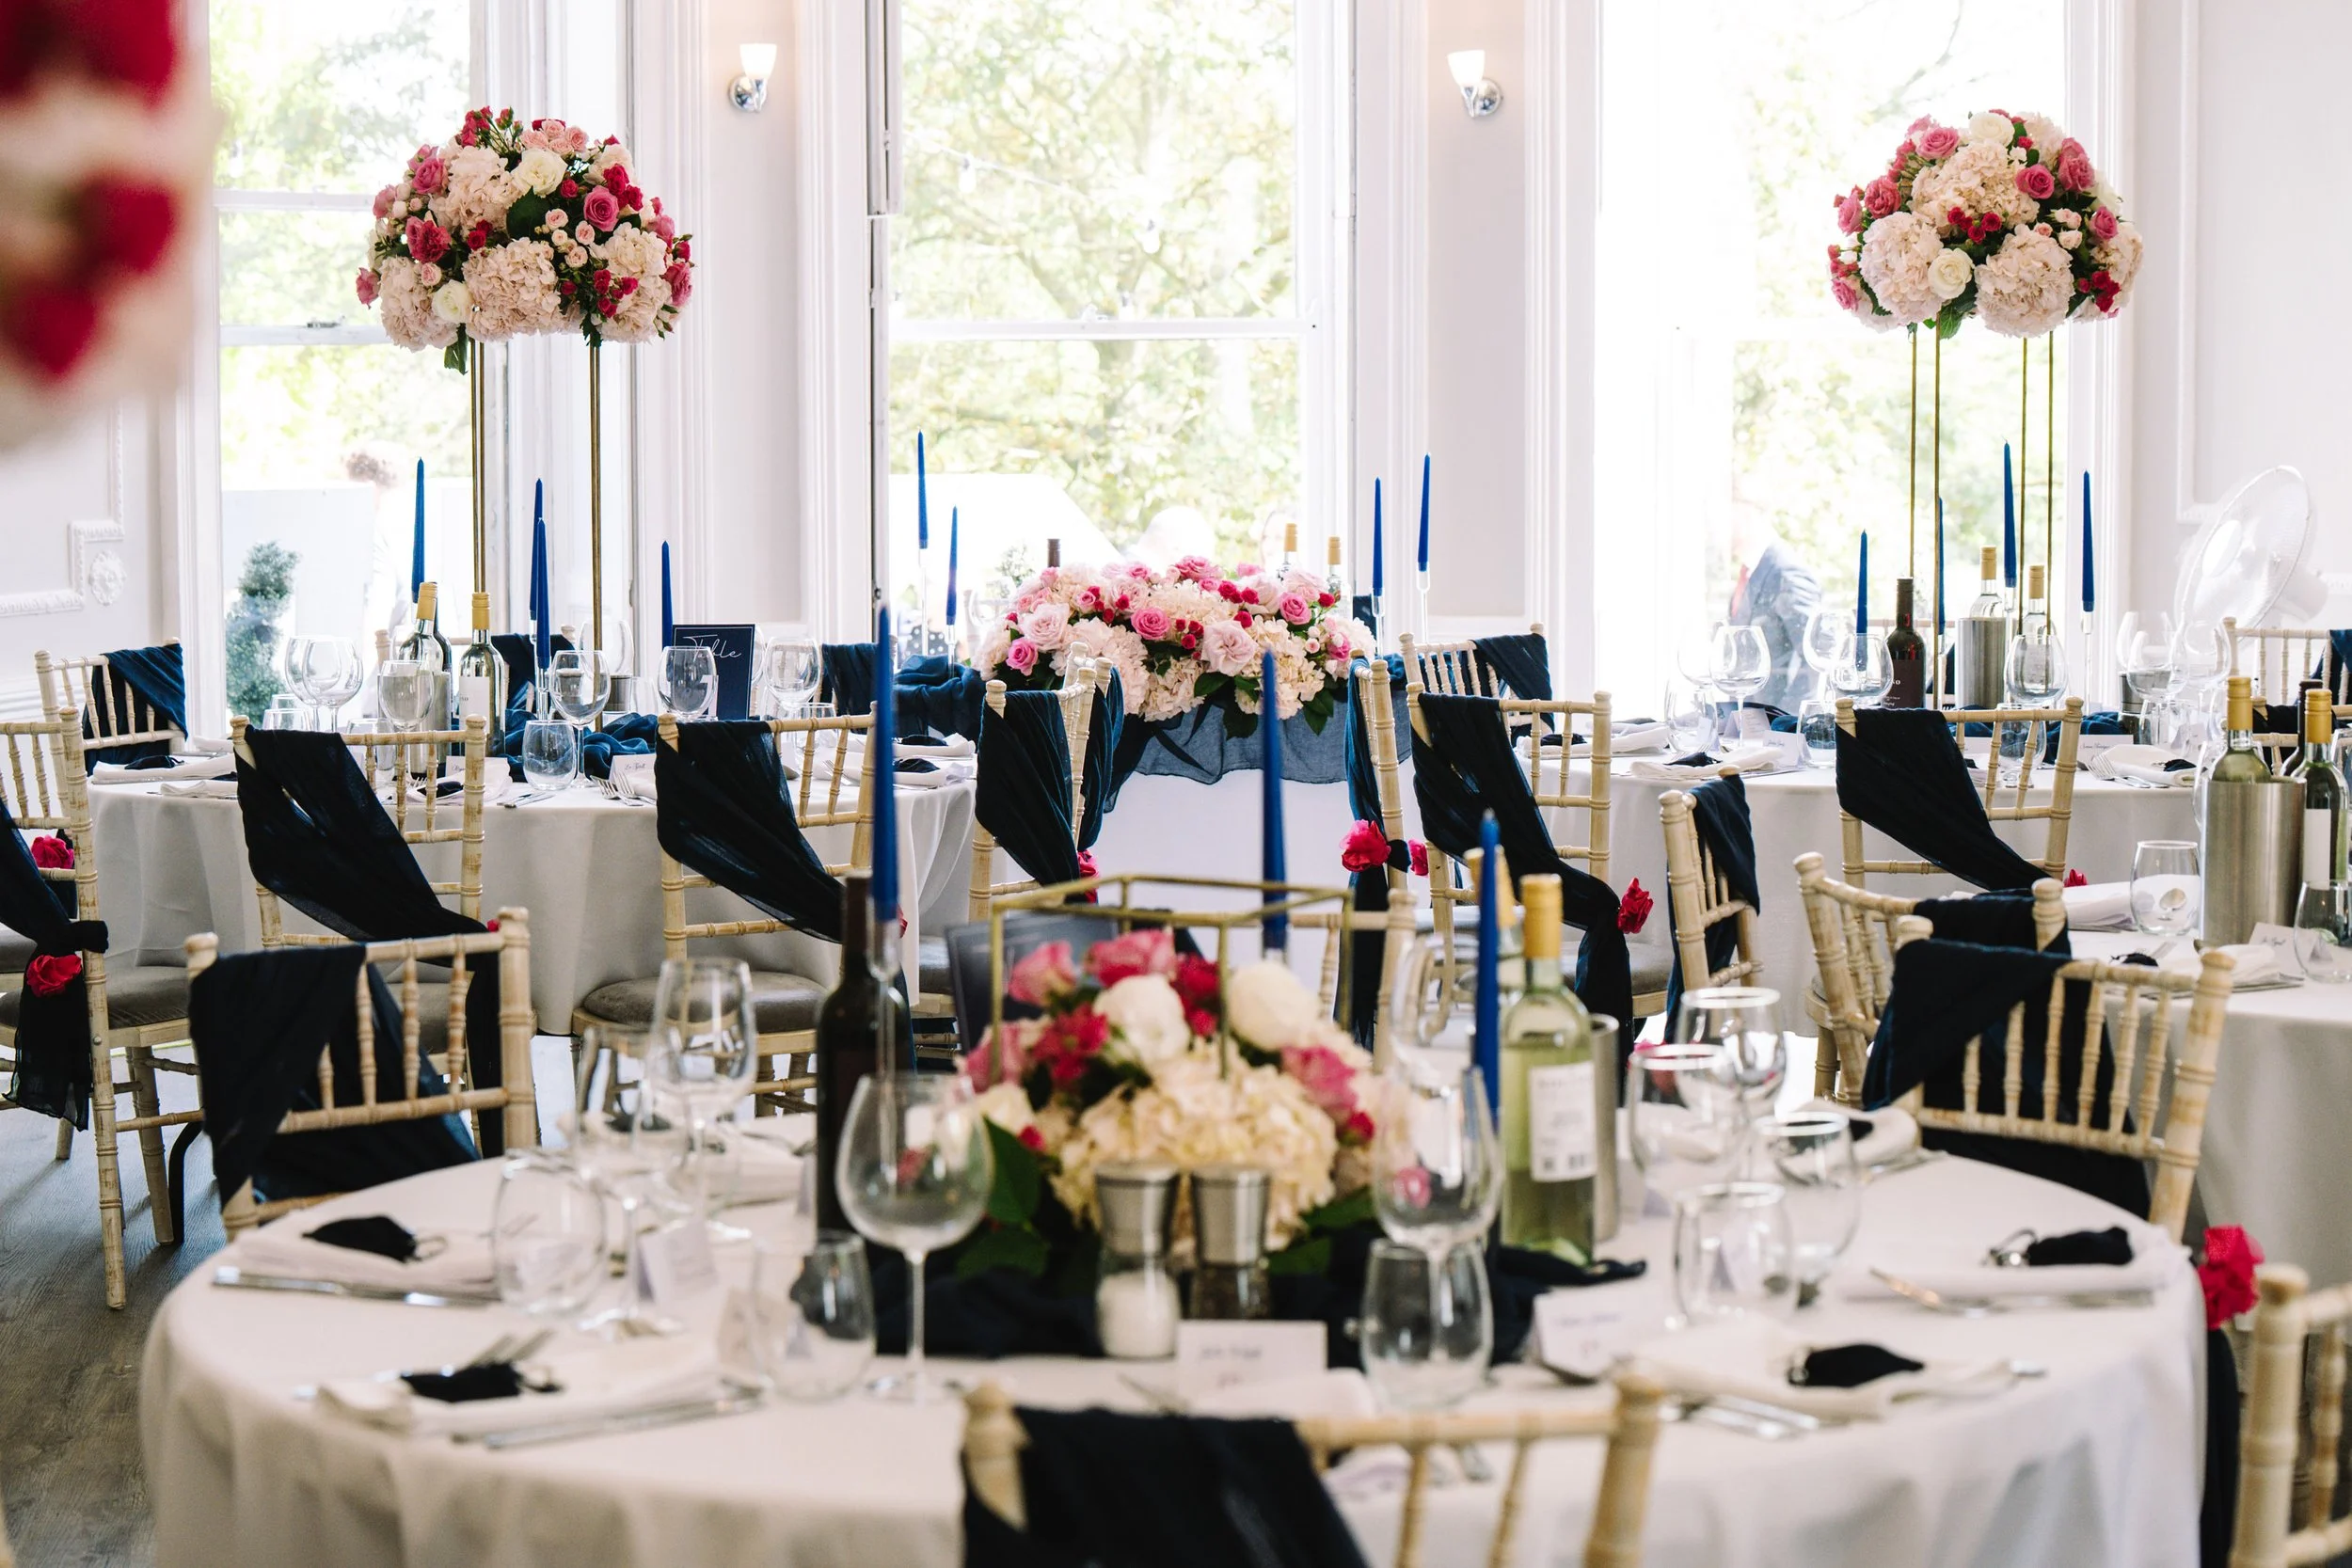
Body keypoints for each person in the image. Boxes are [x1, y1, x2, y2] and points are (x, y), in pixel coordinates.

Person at [1725, 502, 1820, 712]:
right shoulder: (1749, 572)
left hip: (1774, 724)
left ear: (1745, 511)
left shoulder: (1786, 571)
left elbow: (1815, 661)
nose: (1716, 527)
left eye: (1723, 515)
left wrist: (1781, 721)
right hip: (1747, 721)